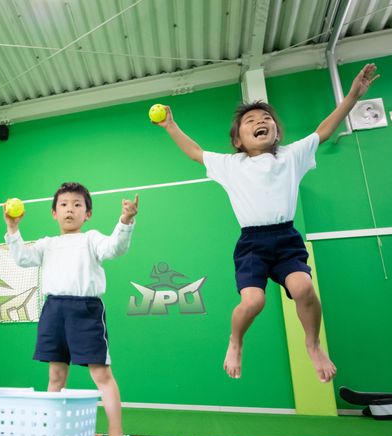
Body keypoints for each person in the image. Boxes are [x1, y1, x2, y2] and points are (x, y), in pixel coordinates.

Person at [155, 64, 379, 383]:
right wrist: (170, 126)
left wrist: (353, 96)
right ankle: (236, 341)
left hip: (286, 238)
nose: (260, 122)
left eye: (266, 119)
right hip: (252, 243)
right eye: (250, 121)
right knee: (253, 301)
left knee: (304, 288)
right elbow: (195, 152)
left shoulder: (290, 156)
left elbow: (324, 130)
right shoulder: (231, 165)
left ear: (277, 131)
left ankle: (313, 344)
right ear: (237, 140)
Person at [4, 182, 138, 436]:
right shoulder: (47, 244)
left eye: (77, 205)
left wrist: (125, 220)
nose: (70, 209)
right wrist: (13, 228)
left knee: (101, 374)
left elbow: (115, 248)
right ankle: (51, 432)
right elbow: (23, 259)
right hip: (54, 310)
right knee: (55, 375)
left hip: (86, 311)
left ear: (87, 214)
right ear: (54, 213)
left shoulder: (92, 239)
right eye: (63, 205)